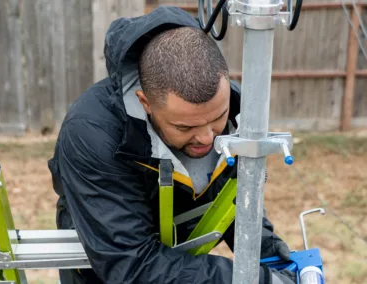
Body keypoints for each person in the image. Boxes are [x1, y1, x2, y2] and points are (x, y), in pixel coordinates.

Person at [48, 6, 296, 284]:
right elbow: (131, 265)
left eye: (217, 118)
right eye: (185, 127)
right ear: (145, 103)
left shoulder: (235, 107)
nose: (207, 137)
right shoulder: (92, 135)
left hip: (188, 262)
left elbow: (231, 196)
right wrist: (253, 280)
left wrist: (269, 253)